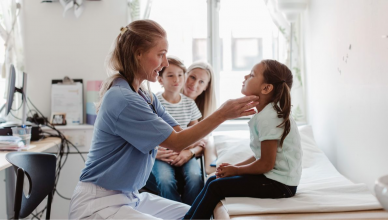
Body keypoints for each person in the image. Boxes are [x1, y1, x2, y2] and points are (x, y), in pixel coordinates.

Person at [68, 19, 258, 220]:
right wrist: (222, 114)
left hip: (129, 197)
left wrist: (198, 144)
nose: (165, 62)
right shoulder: (123, 99)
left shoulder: (145, 96)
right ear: (138, 52)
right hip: (100, 203)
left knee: (199, 215)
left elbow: (179, 134)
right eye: (161, 54)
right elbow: (178, 143)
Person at [183, 59, 303, 220]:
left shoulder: (269, 117)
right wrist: (234, 167)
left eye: (252, 74)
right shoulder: (267, 113)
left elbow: (266, 164)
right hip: (273, 178)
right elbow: (262, 156)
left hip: (281, 185)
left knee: (216, 187)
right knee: (213, 179)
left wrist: (237, 170)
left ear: (266, 88)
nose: (246, 76)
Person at [147, 56, 204, 205]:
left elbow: (196, 134)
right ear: (160, 80)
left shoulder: (189, 104)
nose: (176, 79)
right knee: (165, 180)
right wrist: (156, 151)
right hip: (162, 154)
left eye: (180, 75)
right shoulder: (153, 102)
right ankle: (175, 213)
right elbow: (148, 134)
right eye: (170, 75)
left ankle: (191, 213)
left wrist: (187, 149)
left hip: (185, 151)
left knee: (195, 176)